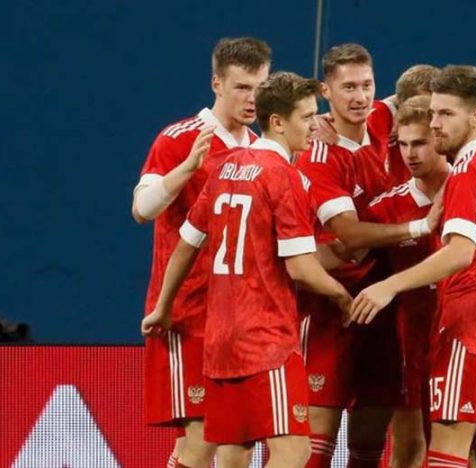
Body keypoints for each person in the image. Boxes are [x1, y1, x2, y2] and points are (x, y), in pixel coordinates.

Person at [141, 71, 353, 468]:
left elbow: (187, 244)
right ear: (278, 122)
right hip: (266, 341)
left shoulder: (226, 168)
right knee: (294, 450)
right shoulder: (285, 176)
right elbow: (301, 269)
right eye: (306, 117)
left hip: (219, 341)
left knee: (235, 453)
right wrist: (342, 296)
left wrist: (162, 307)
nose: (315, 125)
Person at [350, 65, 476, 468]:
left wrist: (389, 286)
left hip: (470, 325)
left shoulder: (470, 170)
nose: (436, 123)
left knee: (447, 450)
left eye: (445, 114)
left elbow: (459, 252)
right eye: (434, 113)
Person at [293, 43, 441, 468]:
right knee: (314, 443)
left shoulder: (381, 122)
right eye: (348, 88)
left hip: (384, 312)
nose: (359, 97)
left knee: (370, 439)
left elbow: (415, 96)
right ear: (325, 92)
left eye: (366, 86)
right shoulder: (320, 156)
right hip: (331, 308)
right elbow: (350, 235)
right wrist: (420, 226)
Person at [130, 37, 270, 467]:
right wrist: (187, 168)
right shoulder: (179, 140)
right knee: (202, 435)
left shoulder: (262, 147)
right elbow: (142, 208)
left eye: (260, 88)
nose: (252, 99)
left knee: (239, 441)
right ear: (216, 84)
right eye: (242, 87)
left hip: (241, 319)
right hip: (188, 314)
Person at [363, 95, 450, 468]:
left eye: (420, 143)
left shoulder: (473, 186)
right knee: (409, 448)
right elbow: (343, 253)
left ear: (439, 138)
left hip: (465, 338)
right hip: (411, 346)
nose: (410, 154)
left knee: (474, 450)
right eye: (402, 144)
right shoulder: (386, 208)